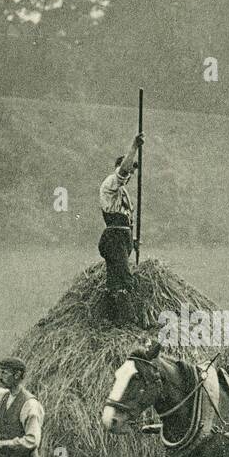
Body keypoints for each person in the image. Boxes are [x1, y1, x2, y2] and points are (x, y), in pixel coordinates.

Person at [98, 131, 144, 324]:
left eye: (133, 173)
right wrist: (134, 147)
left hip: (122, 239)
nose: (130, 176)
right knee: (124, 279)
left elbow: (126, 219)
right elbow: (123, 170)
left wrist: (132, 241)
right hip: (114, 238)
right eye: (128, 172)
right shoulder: (111, 183)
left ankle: (110, 318)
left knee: (115, 280)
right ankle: (128, 320)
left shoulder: (123, 192)